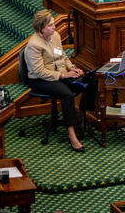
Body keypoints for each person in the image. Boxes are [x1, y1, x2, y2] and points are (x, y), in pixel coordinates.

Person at [25, 10, 86, 153]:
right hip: (39, 80)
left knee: (89, 82)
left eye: (53, 23)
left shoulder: (55, 36)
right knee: (66, 94)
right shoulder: (33, 45)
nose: (54, 27)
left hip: (60, 74)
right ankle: (72, 134)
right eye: (51, 25)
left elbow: (63, 56)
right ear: (41, 28)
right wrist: (64, 75)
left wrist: (72, 68)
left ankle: (80, 115)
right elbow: (39, 72)